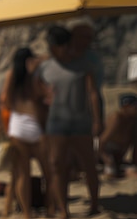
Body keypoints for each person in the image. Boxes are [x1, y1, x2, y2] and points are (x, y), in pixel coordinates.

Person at [38, 25, 101, 219]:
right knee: (57, 166)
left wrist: (97, 120)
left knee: (89, 164)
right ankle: (63, 209)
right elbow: (38, 93)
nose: (50, 48)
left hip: (81, 123)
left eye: (53, 45)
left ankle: (94, 205)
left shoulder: (83, 64)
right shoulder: (45, 68)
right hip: (56, 124)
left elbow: (92, 94)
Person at [0, 47, 53, 219]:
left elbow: (5, 100)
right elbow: (43, 95)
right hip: (35, 126)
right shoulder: (34, 78)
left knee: (22, 174)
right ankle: (51, 209)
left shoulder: (12, 75)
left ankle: (27, 213)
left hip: (17, 126)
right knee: (48, 172)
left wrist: (15, 107)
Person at [99, 93, 137, 179]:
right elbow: (101, 142)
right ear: (126, 106)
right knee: (111, 173)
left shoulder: (133, 120)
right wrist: (107, 159)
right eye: (135, 107)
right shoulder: (117, 118)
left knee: (132, 171)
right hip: (104, 153)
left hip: (118, 155)